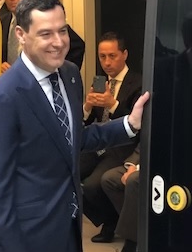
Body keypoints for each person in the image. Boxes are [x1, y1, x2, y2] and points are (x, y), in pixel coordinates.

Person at [0, 0, 150, 252]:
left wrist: (130, 123)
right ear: (21, 35)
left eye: (63, 31)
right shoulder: (3, 98)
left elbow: (71, 138)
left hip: (66, 226)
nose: (58, 42)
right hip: (26, 237)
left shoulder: (69, 75)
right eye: (46, 34)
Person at [80, 32, 141, 243]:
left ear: (124, 54)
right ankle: (108, 218)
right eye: (102, 56)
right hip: (97, 143)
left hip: (122, 146)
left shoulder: (138, 83)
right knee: (68, 169)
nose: (106, 62)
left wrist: (112, 105)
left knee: (92, 185)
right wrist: (88, 105)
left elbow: (139, 126)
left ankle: (111, 222)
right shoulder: (100, 82)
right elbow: (85, 124)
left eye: (112, 56)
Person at [101, 144, 140, 252]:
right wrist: (132, 167)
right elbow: (141, 148)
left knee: (133, 181)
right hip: (142, 162)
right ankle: (136, 227)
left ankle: (132, 241)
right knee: (109, 179)